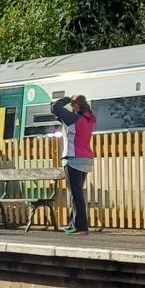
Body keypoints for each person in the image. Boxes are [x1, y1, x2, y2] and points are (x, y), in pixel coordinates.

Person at [51, 94, 96, 235]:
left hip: (73, 159)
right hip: (86, 159)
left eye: (72, 105)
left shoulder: (73, 119)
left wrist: (66, 98)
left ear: (76, 105)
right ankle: (73, 223)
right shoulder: (89, 119)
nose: (70, 107)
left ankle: (81, 227)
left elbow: (55, 107)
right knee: (76, 194)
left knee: (76, 195)